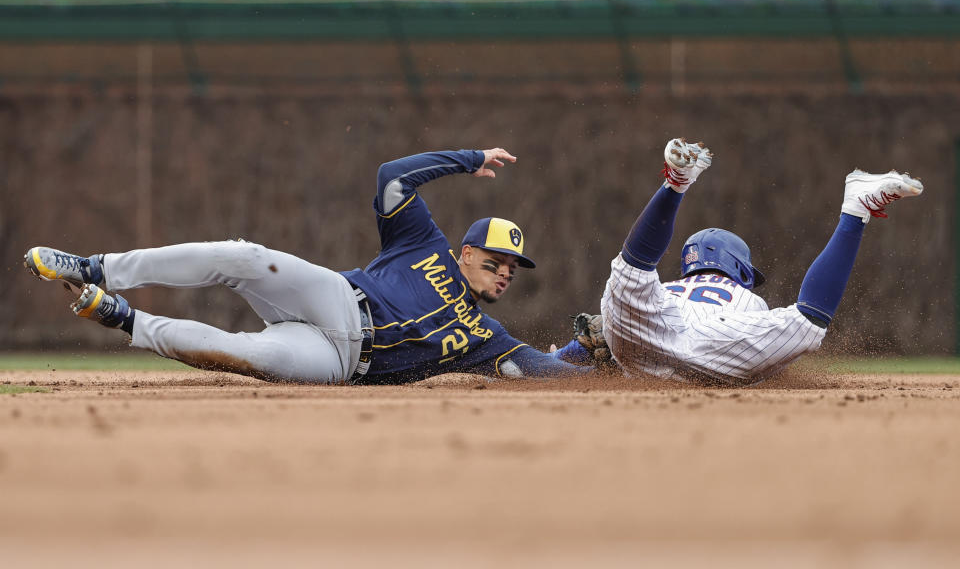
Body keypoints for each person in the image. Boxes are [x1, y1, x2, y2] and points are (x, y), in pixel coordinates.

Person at [25, 148, 595, 384]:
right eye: (496, 261)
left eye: (512, 271)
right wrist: (467, 159)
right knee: (243, 257)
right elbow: (393, 176)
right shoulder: (424, 242)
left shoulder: (485, 337)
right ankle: (97, 267)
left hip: (341, 364)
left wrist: (593, 356)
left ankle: (122, 319)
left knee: (248, 356)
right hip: (337, 299)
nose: (503, 274)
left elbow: (544, 371)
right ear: (466, 252)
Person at [576, 138, 923, 386]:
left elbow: (607, 326)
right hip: (715, 348)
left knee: (631, 273)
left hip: (648, 336)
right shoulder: (747, 298)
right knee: (806, 323)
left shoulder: (669, 289)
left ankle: (676, 183)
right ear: (740, 269)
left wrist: (603, 342)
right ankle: (856, 210)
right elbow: (769, 362)